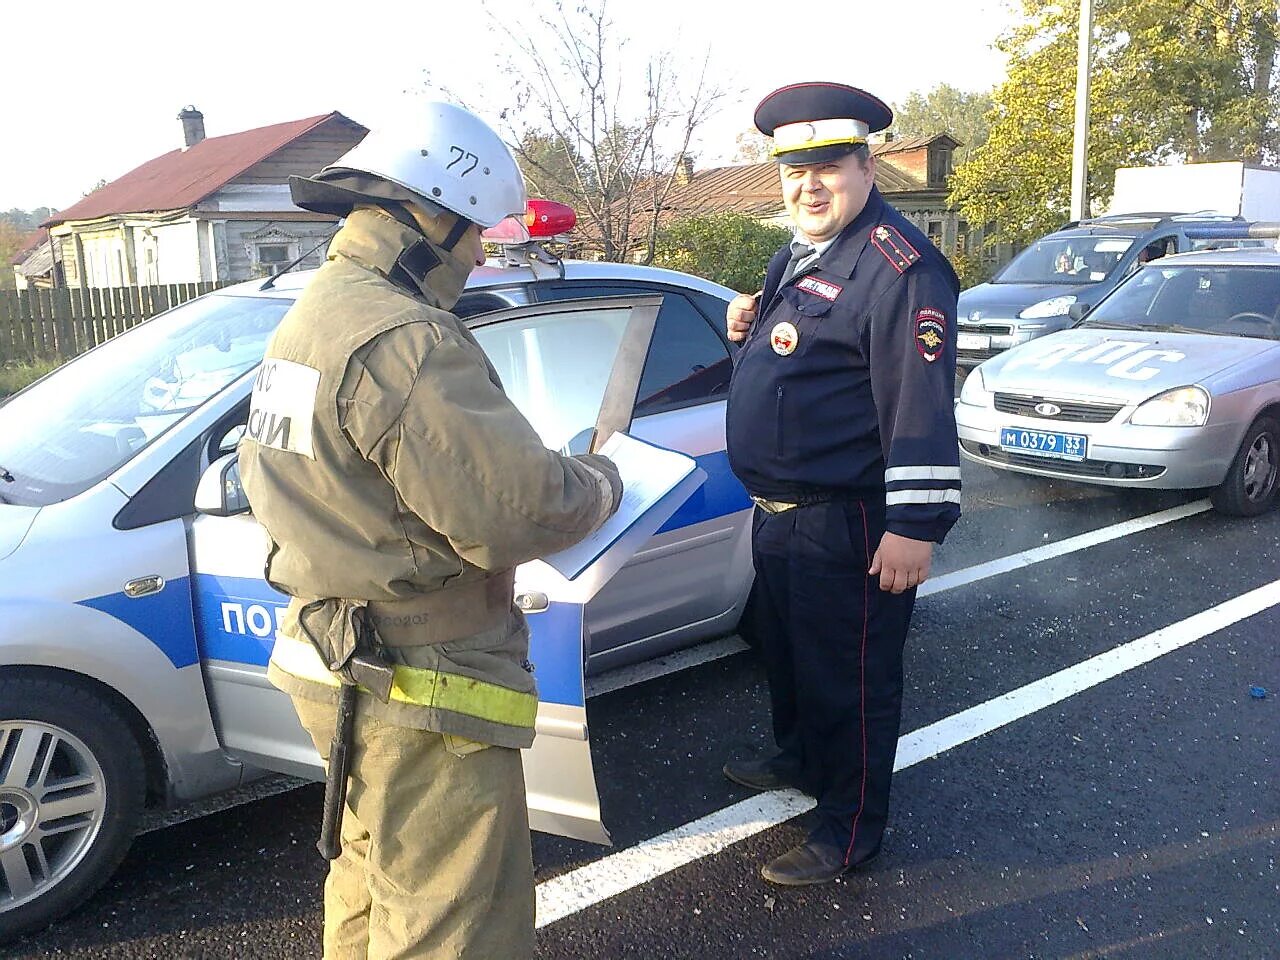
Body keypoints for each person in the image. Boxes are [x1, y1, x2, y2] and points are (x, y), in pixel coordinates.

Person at [238, 101, 622, 959]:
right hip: (418, 680)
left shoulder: (314, 315)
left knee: (369, 879)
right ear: (429, 216)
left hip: (326, 653)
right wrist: (599, 477)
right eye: (475, 230)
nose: (485, 250)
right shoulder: (405, 337)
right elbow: (524, 510)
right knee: (455, 919)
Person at [723, 82, 961, 886]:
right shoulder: (798, 253)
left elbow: (917, 403)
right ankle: (799, 759)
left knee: (851, 677)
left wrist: (917, 524)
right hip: (783, 514)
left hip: (851, 520)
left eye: (828, 166)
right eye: (794, 170)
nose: (808, 185)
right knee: (788, 656)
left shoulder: (901, 268)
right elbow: (807, 363)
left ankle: (851, 827)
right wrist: (747, 332)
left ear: (867, 164)